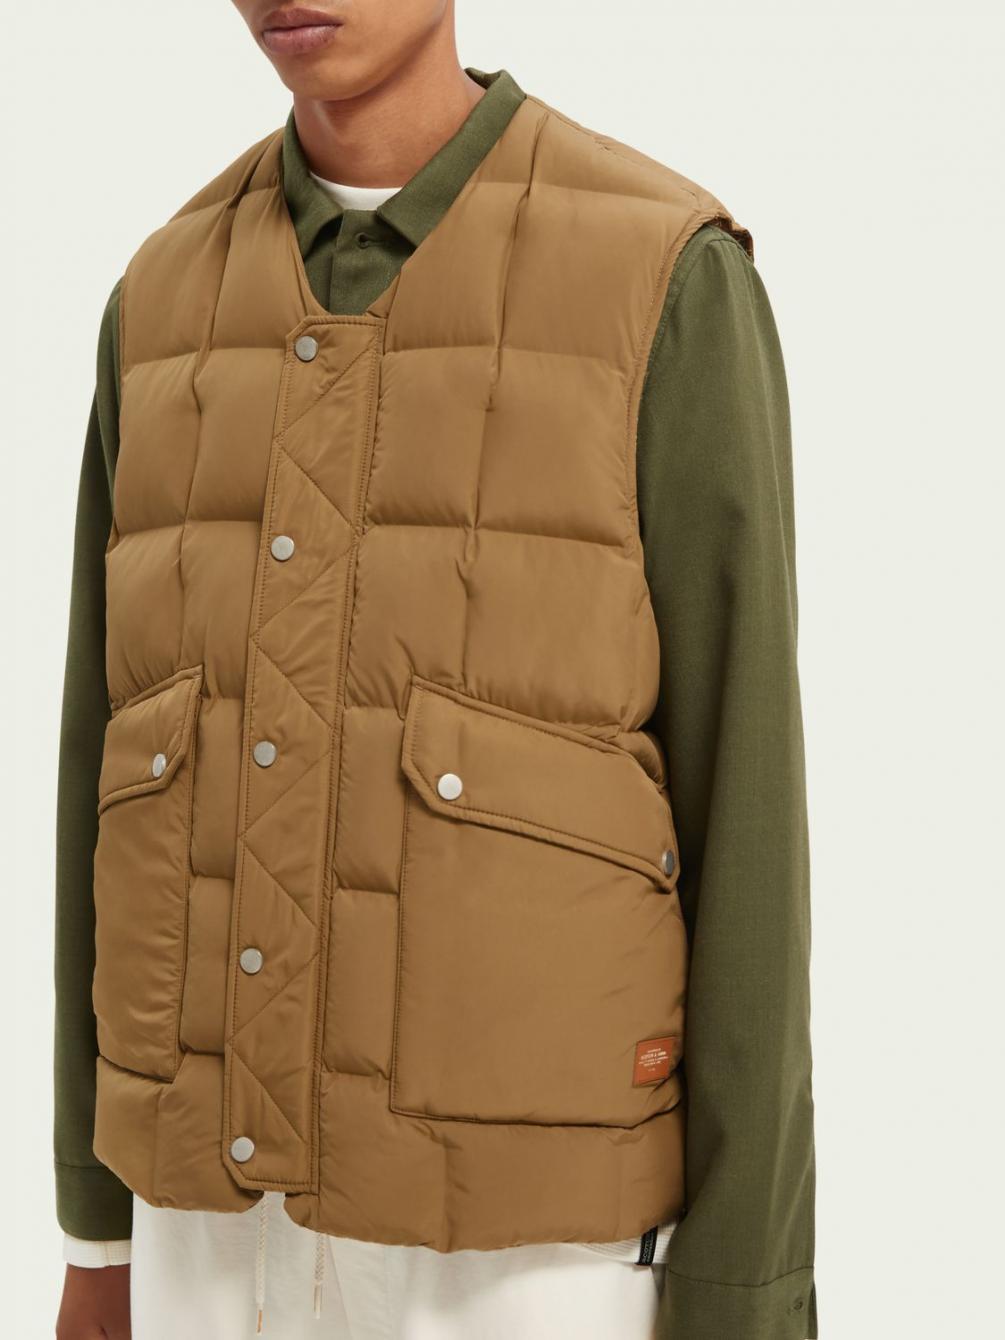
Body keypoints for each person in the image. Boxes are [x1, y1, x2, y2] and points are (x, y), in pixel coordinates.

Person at [53, 3, 817, 1337]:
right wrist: (95, 1232)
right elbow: (102, 773)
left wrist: (746, 1295)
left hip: (531, 1259)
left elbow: (746, 810)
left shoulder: (661, 275)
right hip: (204, 1241)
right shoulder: (163, 300)